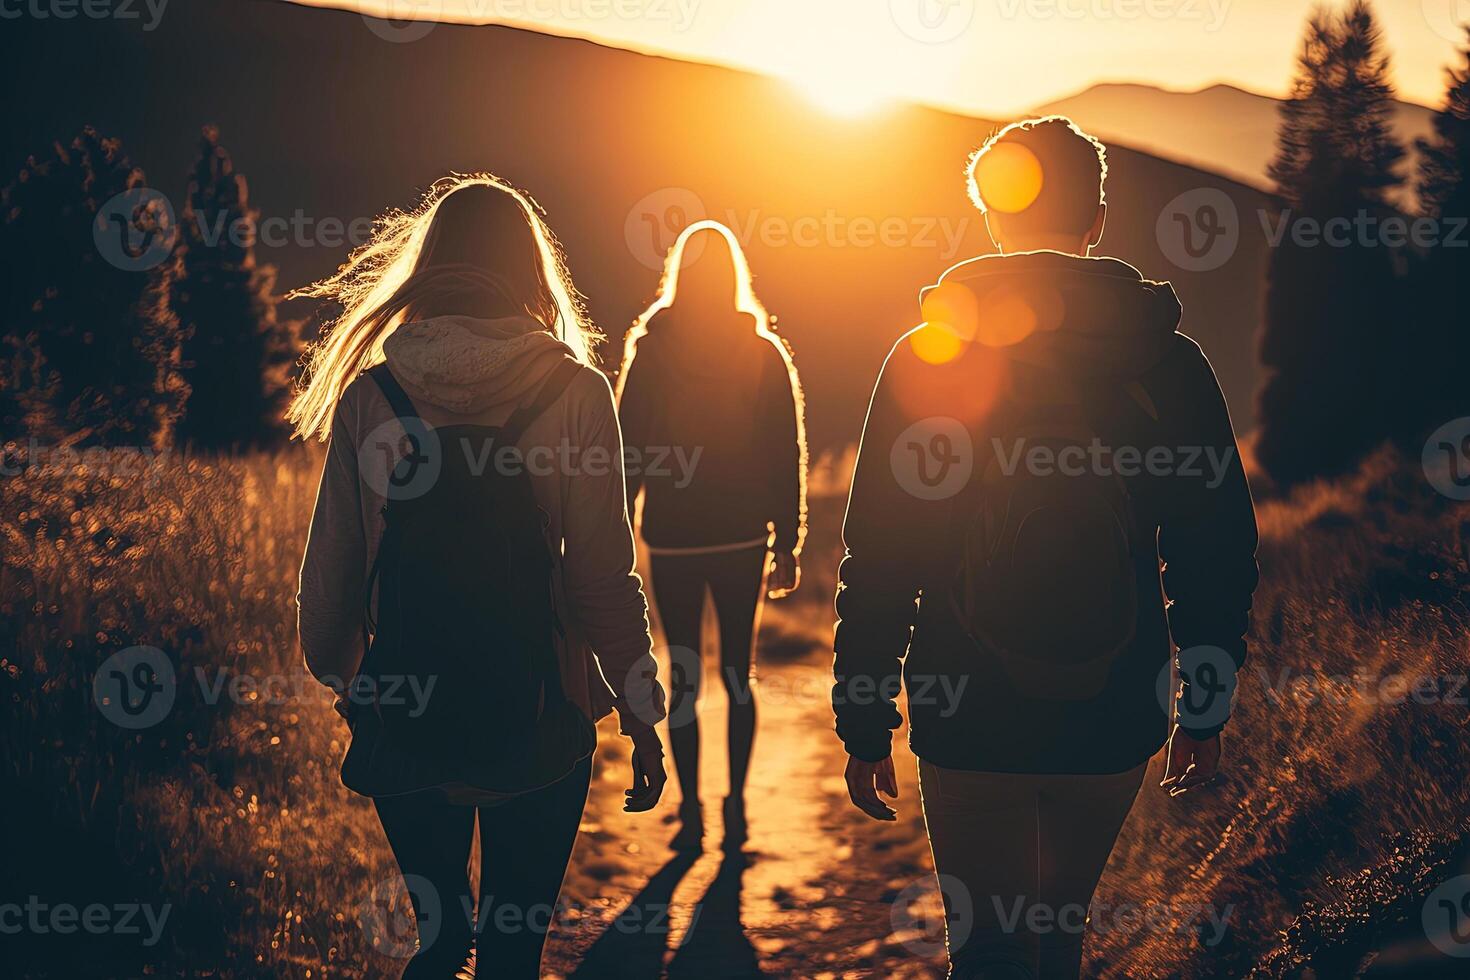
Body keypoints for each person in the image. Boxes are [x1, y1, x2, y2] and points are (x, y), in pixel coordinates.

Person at [832, 117, 1259, 979]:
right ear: (1096, 218)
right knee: (1056, 941)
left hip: (968, 712)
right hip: (1111, 713)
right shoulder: (1167, 364)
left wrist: (865, 717)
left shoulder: (928, 356)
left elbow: (882, 551)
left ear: (992, 216)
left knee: (985, 948)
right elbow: (1216, 548)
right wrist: (1203, 706)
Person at [293, 175, 668, 979]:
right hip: (541, 714)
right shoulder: (575, 391)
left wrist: (349, 686)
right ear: (530, 270)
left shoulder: (374, 395)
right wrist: (638, 710)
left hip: (404, 711)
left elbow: (332, 574)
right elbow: (604, 577)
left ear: (432, 266)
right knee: (509, 953)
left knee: (438, 944)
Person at [617, 220, 808, 852]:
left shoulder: (651, 348)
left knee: (686, 676)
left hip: (671, 532)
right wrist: (789, 541)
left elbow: (629, 449)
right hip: (741, 534)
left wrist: (614, 528)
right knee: (737, 674)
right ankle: (737, 810)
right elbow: (786, 450)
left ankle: (693, 812)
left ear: (677, 272)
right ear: (733, 276)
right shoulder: (761, 350)